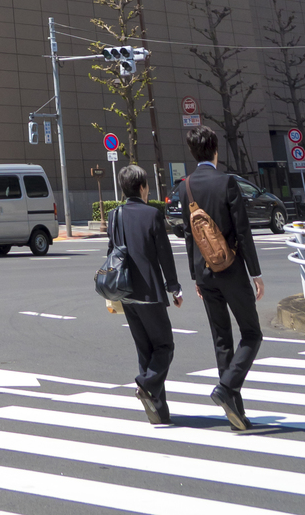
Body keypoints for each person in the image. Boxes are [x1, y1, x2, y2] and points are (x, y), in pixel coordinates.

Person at [182, 123, 264, 431]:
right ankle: (226, 388)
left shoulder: (186, 186)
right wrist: (255, 273)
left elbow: (189, 235)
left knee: (222, 340)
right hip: (230, 270)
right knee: (252, 333)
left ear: (193, 152)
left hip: (204, 273)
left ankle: (235, 413)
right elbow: (243, 231)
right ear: (215, 150)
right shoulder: (226, 182)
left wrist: (195, 276)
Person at [108, 163, 183, 424]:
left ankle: (158, 412)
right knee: (165, 346)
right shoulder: (152, 214)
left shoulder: (114, 215)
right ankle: (146, 384)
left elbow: (111, 253)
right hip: (150, 292)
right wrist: (174, 287)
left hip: (126, 291)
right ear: (142, 187)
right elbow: (165, 254)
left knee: (145, 351)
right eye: (147, 185)